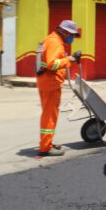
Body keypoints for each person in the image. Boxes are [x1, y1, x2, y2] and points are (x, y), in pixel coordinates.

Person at [36, 20, 82, 157]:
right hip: (50, 83)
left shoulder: (51, 39)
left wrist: (68, 57)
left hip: (47, 82)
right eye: (72, 35)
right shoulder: (55, 42)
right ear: (65, 31)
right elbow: (52, 64)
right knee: (49, 116)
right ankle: (45, 147)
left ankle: (47, 142)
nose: (72, 38)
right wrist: (71, 59)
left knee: (49, 114)